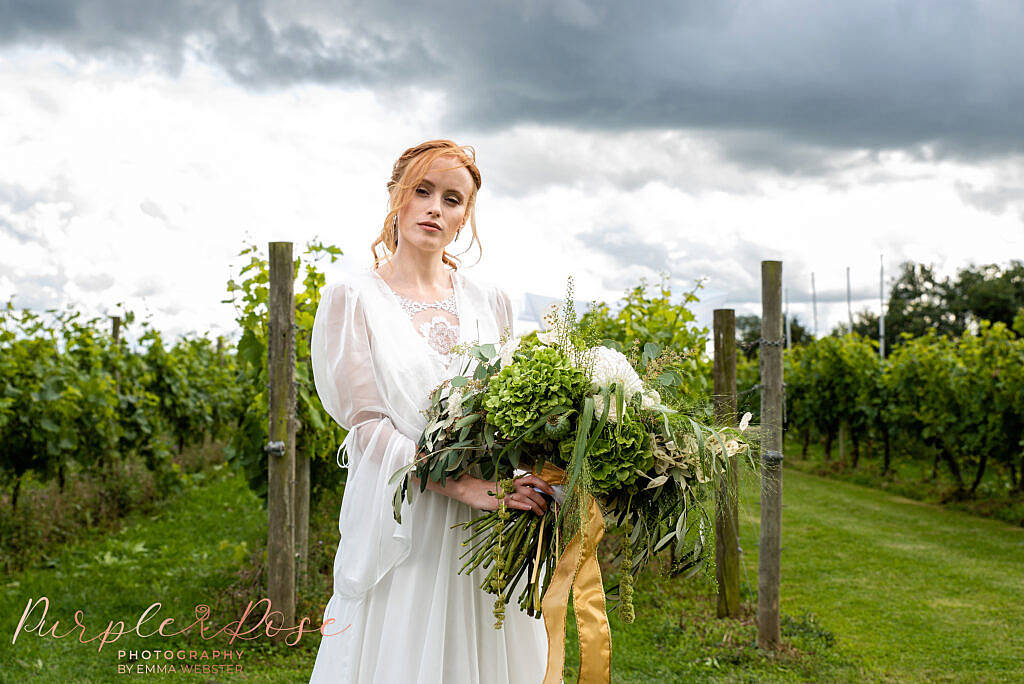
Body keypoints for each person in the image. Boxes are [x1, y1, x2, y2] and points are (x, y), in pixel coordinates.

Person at [309, 140, 555, 683]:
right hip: (407, 517)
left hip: (488, 523)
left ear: (465, 216)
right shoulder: (353, 297)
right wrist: (459, 484)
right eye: (422, 191)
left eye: (452, 199)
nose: (434, 209)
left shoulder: (492, 302)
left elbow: (511, 411)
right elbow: (366, 425)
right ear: (397, 196)